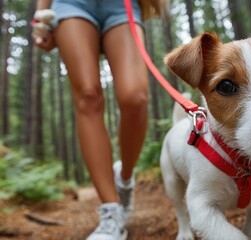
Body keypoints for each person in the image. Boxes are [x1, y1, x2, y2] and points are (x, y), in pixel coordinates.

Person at [32, 0, 168, 239]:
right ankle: (111, 212)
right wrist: (40, 16)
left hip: (121, 6)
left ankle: (124, 178)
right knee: (87, 96)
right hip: (70, 5)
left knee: (135, 97)